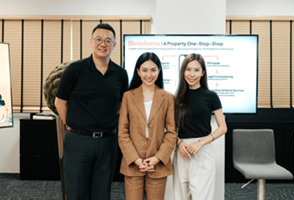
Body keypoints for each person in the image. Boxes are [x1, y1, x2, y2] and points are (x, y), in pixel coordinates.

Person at [55, 23, 128, 200]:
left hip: (107, 142)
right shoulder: (75, 70)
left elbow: (120, 105)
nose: (103, 44)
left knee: (102, 193)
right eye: (99, 39)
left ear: (114, 44)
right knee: (77, 192)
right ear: (91, 41)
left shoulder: (120, 74)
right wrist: (74, 125)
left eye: (108, 40)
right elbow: (60, 103)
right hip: (78, 141)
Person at [118, 52, 177, 200]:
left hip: (158, 164)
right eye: (144, 70)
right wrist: (136, 160)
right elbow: (122, 132)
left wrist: (157, 158)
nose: (148, 74)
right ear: (138, 71)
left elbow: (171, 132)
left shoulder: (168, 97)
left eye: (153, 70)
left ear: (159, 71)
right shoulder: (128, 96)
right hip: (133, 163)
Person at [173, 53, 227, 200]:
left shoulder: (211, 96)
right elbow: (169, 128)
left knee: (202, 196)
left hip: (203, 151)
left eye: (196, 70)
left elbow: (223, 127)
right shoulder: (175, 98)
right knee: (181, 196)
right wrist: (179, 143)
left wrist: (200, 142)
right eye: (188, 69)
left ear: (203, 72)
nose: (192, 74)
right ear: (183, 71)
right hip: (182, 152)